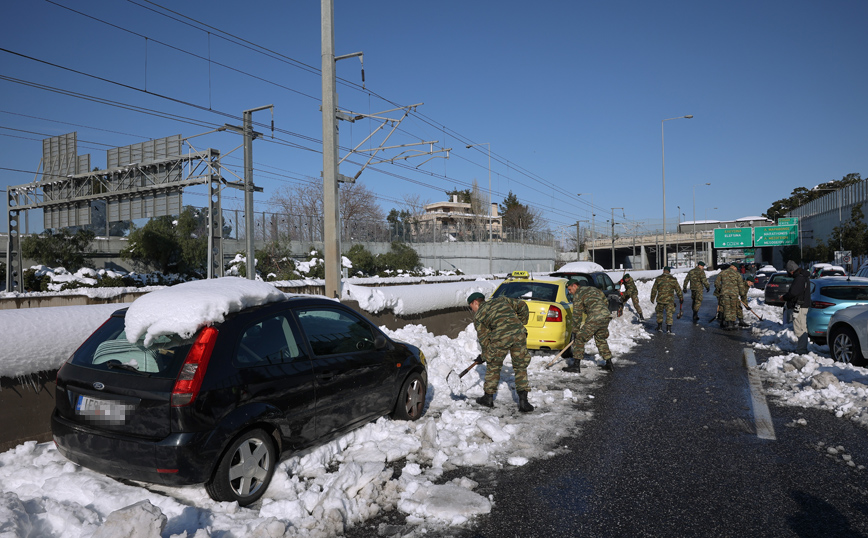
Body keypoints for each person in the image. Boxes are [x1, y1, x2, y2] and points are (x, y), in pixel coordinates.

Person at [467, 292, 534, 412]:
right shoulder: (501, 300)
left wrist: (485, 355)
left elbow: (484, 340)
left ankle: (488, 398)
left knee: (493, 365)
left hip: (500, 337)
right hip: (519, 334)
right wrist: (520, 322)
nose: (471, 310)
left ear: (475, 303)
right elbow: (522, 305)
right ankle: (524, 402)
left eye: (470, 306)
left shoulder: (479, 317)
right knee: (520, 366)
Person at [564, 278, 614, 373]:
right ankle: (609, 364)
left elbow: (577, 314)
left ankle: (576, 366)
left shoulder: (578, 295)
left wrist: (575, 331)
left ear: (575, 286)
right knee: (600, 338)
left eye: (570, 289)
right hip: (605, 315)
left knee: (579, 338)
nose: (570, 292)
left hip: (595, 317)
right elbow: (605, 301)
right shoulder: (593, 289)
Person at [781, 260, 811, 354]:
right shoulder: (803, 277)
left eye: (789, 271)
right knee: (802, 327)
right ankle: (801, 348)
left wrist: (784, 297)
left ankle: (801, 350)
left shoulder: (799, 278)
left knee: (800, 328)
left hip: (800, 306)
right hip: (802, 305)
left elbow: (794, 292)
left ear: (791, 270)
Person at [649, 266, 683, 333]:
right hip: (670, 300)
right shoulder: (673, 279)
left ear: (663, 271)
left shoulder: (659, 279)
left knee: (659, 313)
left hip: (660, 299)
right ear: (669, 271)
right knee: (669, 313)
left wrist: (652, 298)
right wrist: (681, 297)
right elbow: (678, 289)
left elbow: (654, 289)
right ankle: (668, 328)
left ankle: (659, 327)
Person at [716, 263, 744, 330]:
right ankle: (732, 323)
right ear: (734, 267)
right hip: (734, 294)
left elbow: (716, 283)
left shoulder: (722, 272)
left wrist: (720, 289)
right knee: (733, 307)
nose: (736, 270)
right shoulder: (737, 274)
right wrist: (742, 293)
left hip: (724, 293)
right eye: (736, 268)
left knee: (726, 307)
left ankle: (728, 323)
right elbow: (740, 285)